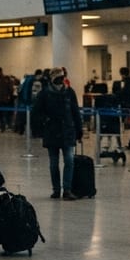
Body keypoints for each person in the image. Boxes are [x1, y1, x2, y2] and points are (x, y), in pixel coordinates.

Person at [32, 67, 83, 200]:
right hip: (52, 132)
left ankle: (67, 189)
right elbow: (36, 112)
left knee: (69, 160)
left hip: (67, 131)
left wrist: (79, 130)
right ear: (52, 78)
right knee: (54, 163)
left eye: (62, 77)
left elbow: (75, 112)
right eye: (58, 77)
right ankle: (56, 189)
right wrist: (44, 123)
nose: (61, 80)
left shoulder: (69, 92)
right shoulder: (44, 94)